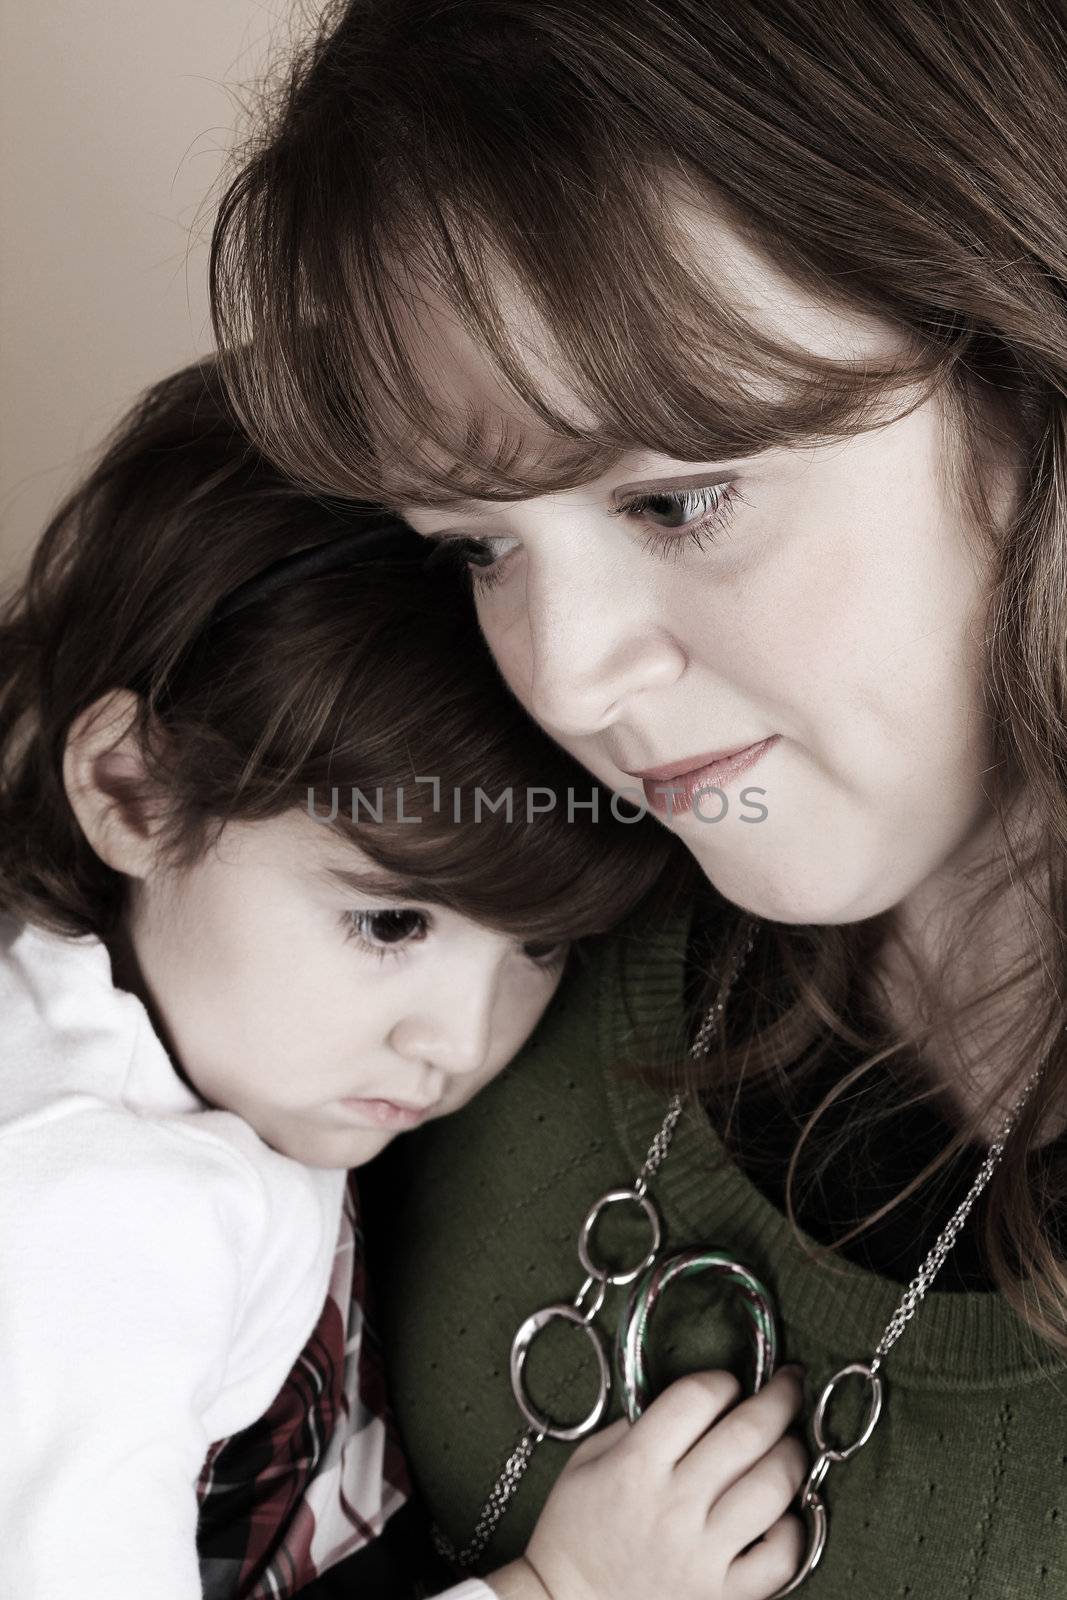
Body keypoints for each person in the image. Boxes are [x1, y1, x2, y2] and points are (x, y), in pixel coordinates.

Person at [208, 2, 1067, 1596]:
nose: (564, 681)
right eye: (473, 546)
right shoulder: (466, 889)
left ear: (1026, 376)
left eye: (675, 500)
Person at [0, 358, 816, 1600]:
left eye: (539, 947)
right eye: (387, 922)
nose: (460, 1037)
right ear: (134, 791)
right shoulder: (106, 1220)